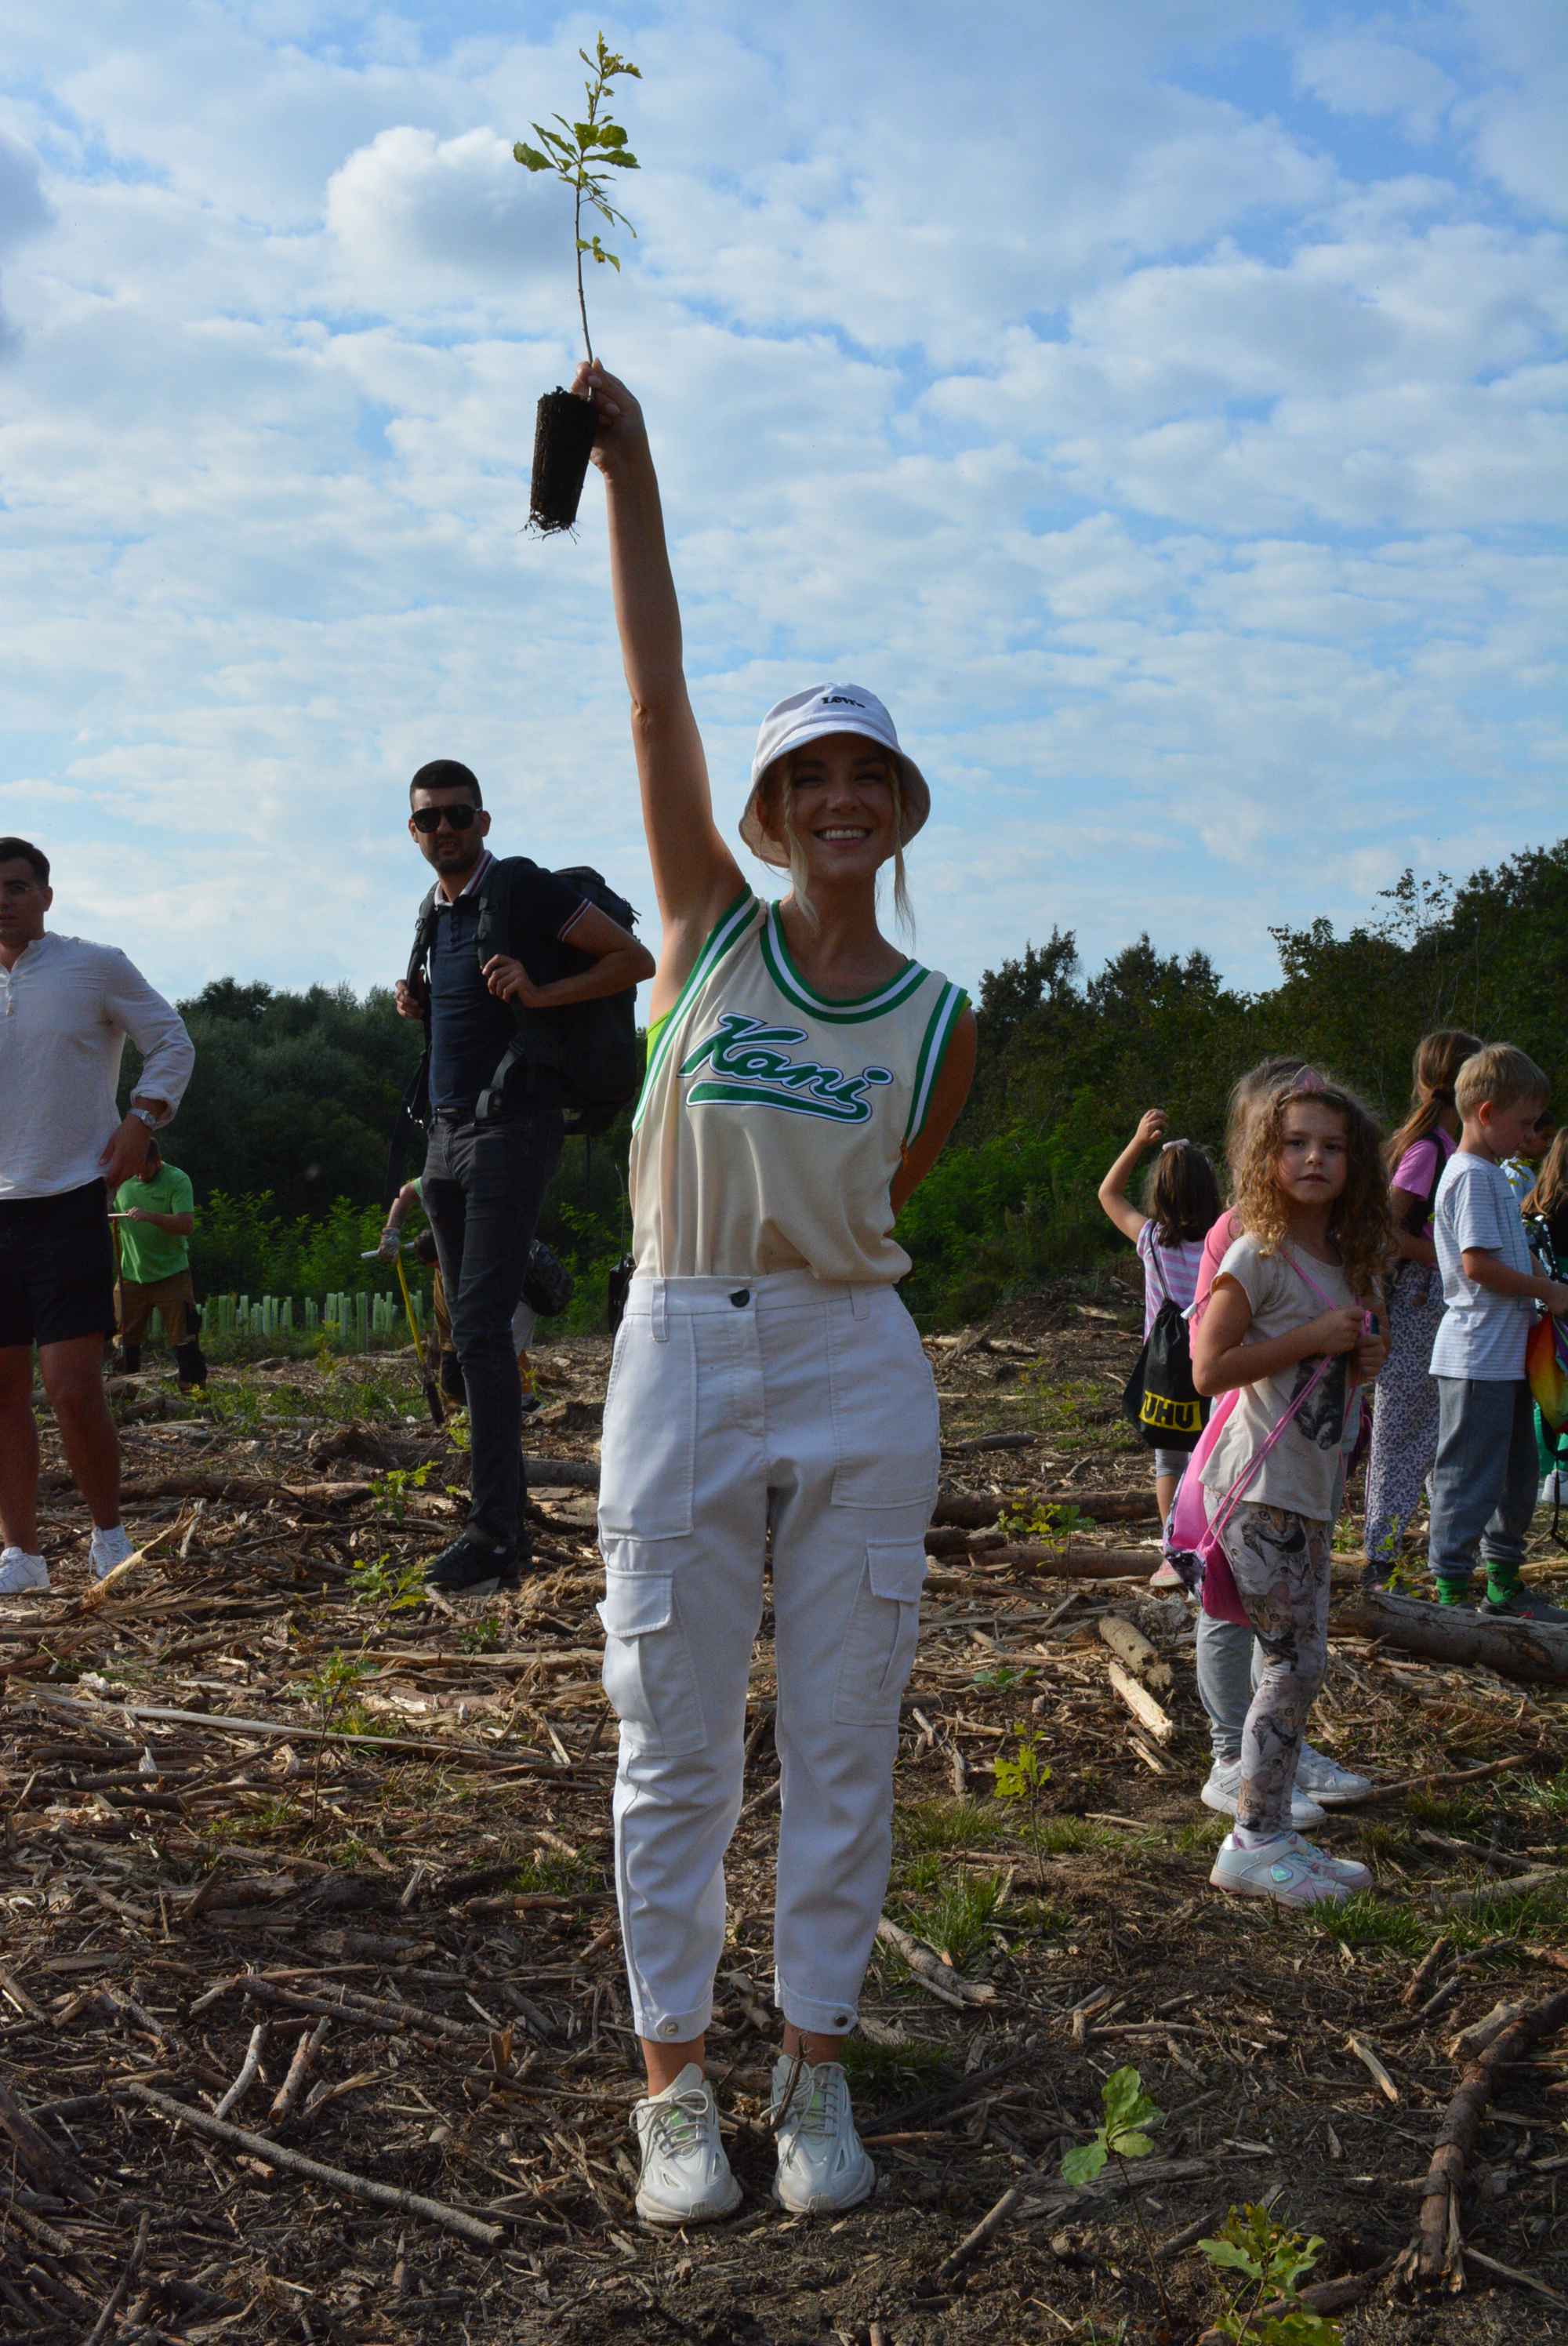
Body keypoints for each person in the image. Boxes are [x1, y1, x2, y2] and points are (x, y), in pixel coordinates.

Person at [581, 358, 976, 2226]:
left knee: (841, 1733)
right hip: (682, 1339)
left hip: (852, 1359)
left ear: (898, 810)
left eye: (862, 776)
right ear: (763, 809)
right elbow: (652, 690)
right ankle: (673, 2083)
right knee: (670, 1737)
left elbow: (882, 1202)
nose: (835, 797)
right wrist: (632, 474)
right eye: (806, 774)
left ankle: (814, 2063)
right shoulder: (698, 934)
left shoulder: (937, 1016)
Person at [393, 761, 652, 1598]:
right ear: (413, 832)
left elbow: (634, 959)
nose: (445, 829)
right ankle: (498, 1516)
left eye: (457, 815)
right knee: (466, 1336)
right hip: (443, 1136)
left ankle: (496, 1535)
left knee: (479, 1331)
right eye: (429, 819)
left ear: (483, 820)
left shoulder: (523, 889)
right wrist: (420, 1004)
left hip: (512, 1127)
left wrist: (542, 993)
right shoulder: (433, 916)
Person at [1191, 1069, 1389, 1907]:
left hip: (1309, 1488)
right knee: (1291, 1661)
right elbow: (1208, 1369)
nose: (1313, 1158)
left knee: (1299, 1663)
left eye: (1331, 1146)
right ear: (1264, 1157)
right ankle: (1253, 1839)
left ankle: (1268, 1828)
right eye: (1295, 1143)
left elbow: (1334, 1374)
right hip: (1256, 1486)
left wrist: (1362, 1358)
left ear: (1355, 1163)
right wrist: (1311, 1337)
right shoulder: (1257, 1255)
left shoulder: (1346, 1262)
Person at [0, 838, 194, 1596]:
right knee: (2, 1391)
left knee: (72, 1385)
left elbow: (171, 1039)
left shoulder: (94, 967)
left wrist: (143, 1119)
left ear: (46, 896)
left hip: (71, 1197)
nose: (4, 900)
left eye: (18, 887)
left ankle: (110, 1538)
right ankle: (21, 1555)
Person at [1425, 1046, 1568, 1619]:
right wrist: (1546, 1291)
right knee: (1468, 1476)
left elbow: (1510, 1252)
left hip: (1505, 1357)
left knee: (1516, 1474)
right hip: (1475, 1358)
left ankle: (1504, 1587)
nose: (1530, 1135)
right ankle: (1450, 1597)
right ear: (1486, 1114)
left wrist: (1544, 1281)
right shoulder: (1471, 1177)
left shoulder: (1493, 1177)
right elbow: (1478, 1266)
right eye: (1524, 1124)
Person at [1361, 1030, 1481, 1585]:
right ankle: (1379, 1558)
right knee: (1400, 1431)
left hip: (1438, 1302)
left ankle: (1445, 1547)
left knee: (1438, 1428)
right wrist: (1444, 1257)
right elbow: (1384, 1230)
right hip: (1417, 1300)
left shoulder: (1447, 1146)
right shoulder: (1428, 1149)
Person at [1095, 1109, 1220, 1552]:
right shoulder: (1224, 1242)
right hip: (1216, 1365)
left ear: (1160, 1194)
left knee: (1169, 1460)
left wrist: (1137, 1142)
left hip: (1164, 1368)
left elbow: (1108, 1194)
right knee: (1212, 1453)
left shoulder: (1150, 1240)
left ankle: (1174, 1547)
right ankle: (1212, 1540)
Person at [114, 1137, 206, 1390]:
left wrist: (150, 1217)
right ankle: (123, 1393)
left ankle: (193, 1391)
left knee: (185, 1335)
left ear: (156, 1161)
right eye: (134, 1168)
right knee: (123, 1338)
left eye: (143, 1168)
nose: (138, 1174)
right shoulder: (122, 1180)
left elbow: (186, 1225)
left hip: (171, 1274)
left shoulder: (177, 1180)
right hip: (131, 1274)